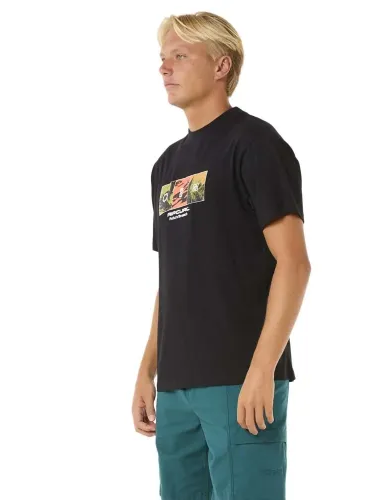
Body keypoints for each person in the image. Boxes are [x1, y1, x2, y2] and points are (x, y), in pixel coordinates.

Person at [132, 11, 311, 500]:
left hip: (240, 379)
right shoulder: (166, 166)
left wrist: (263, 368)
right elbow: (173, 278)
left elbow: (294, 263)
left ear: (221, 65)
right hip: (177, 387)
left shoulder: (255, 144)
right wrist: (148, 371)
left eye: (180, 56)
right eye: (163, 57)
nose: (164, 67)